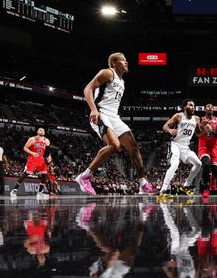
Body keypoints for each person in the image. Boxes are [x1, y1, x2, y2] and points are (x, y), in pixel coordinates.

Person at [75, 52, 156, 195]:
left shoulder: (122, 82)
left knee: (133, 147)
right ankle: (85, 176)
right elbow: (87, 89)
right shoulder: (107, 73)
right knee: (114, 146)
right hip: (101, 113)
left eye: (126, 60)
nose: (126, 62)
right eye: (123, 60)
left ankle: (142, 183)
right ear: (114, 63)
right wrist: (93, 110)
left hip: (114, 117)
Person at [160, 99, 202, 195]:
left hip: (186, 147)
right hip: (176, 144)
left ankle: (186, 185)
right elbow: (165, 126)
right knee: (175, 164)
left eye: (194, 106)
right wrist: (170, 130)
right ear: (184, 107)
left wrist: (207, 130)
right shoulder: (179, 116)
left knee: (198, 164)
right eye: (191, 105)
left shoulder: (196, 119)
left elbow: (199, 133)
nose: (193, 107)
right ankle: (163, 189)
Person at [10, 128, 50, 198]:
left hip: (41, 159)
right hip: (32, 159)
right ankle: (14, 190)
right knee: (26, 174)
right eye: (40, 130)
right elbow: (25, 148)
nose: (42, 131)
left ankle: (40, 192)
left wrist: (49, 157)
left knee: (44, 175)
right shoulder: (32, 139)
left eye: (43, 130)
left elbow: (47, 151)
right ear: (37, 132)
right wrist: (32, 153)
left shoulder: (47, 141)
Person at [197, 103, 217, 197]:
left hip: (214, 147)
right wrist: (204, 129)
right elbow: (197, 134)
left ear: (213, 110)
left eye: (212, 107)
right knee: (205, 164)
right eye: (208, 106)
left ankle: (213, 179)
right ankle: (205, 187)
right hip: (203, 147)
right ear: (205, 109)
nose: (210, 108)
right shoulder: (200, 120)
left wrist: (212, 131)